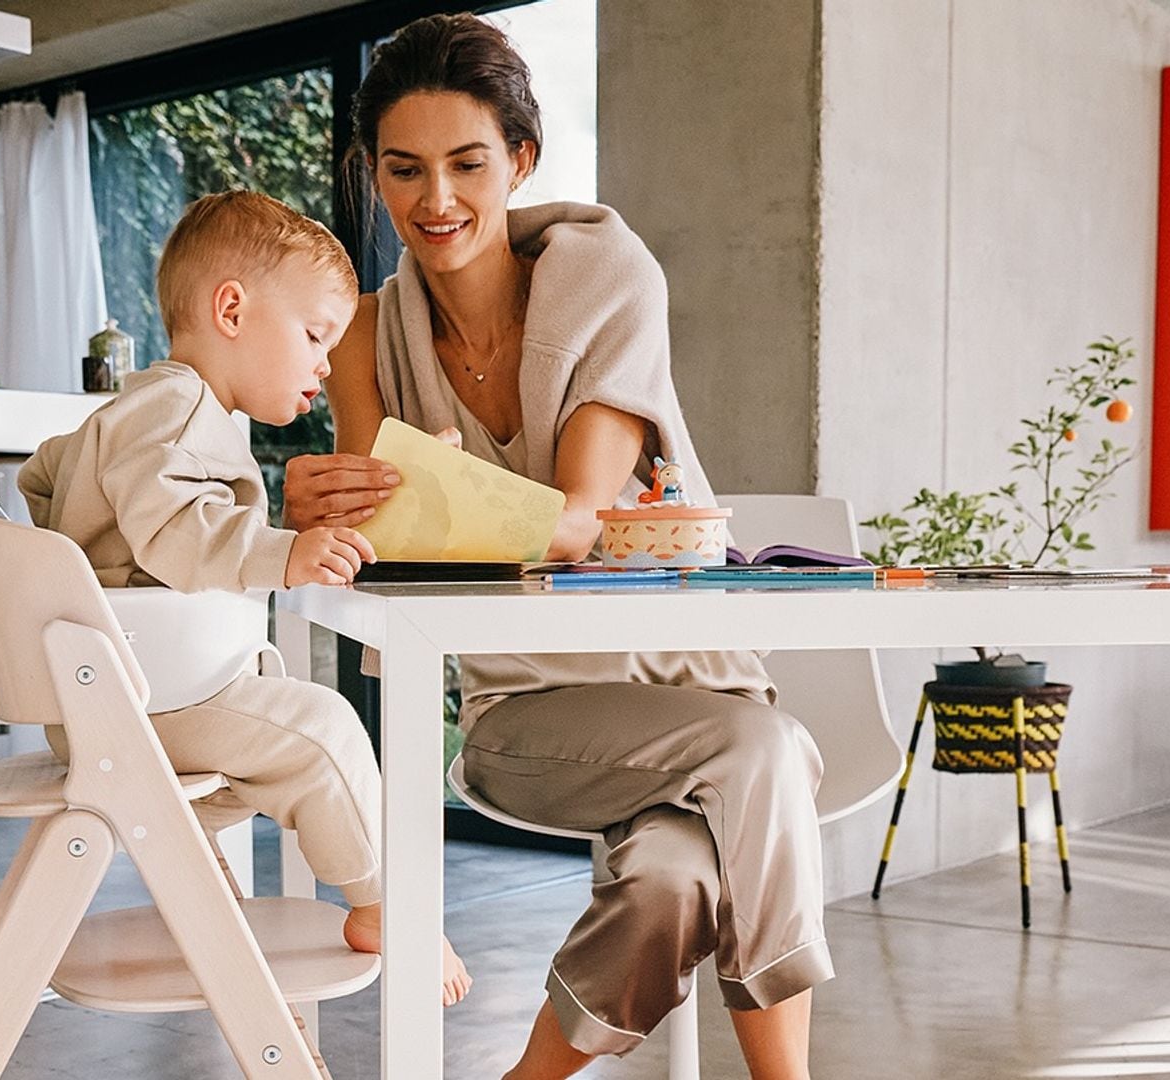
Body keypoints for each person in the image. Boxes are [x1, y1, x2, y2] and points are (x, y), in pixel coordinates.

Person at [281, 15, 826, 1079]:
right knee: (764, 759)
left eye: (466, 163)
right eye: (404, 170)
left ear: (519, 161)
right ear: (374, 175)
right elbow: (375, 536)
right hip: (522, 723)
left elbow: (581, 517)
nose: (435, 200)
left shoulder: (605, 272)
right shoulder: (362, 332)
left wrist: (445, 498)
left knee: (676, 875)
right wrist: (324, 500)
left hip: (698, 688)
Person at [19, 189, 471, 1006]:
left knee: (272, 743)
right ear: (232, 309)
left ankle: (187, 870)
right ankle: (383, 904)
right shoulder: (173, 406)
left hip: (123, 693)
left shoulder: (142, 412)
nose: (326, 365)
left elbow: (46, 469)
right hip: (146, 696)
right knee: (324, 728)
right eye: (313, 335)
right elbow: (172, 531)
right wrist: (283, 552)